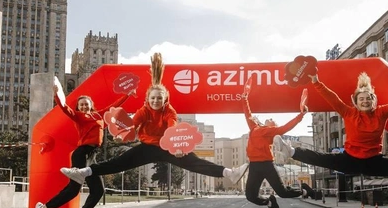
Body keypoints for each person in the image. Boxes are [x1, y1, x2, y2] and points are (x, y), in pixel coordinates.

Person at [61, 53, 248, 191]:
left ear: (164, 99)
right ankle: (83, 172)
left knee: (194, 162)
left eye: (159, 99)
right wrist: (122, 136)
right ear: (148, 99)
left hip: (167, 147)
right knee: (117, 162)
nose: (156, 101)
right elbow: (133, 123)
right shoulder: (144, 110)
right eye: (153, 99)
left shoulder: (169, 111)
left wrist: (177, 146)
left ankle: (230, 173)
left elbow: (172, 127)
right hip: (147, 147)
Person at [31, 84, 132, 208]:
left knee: (98, 190)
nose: (84, 106)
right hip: (82, 154)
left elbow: (113, 106)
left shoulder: (99, 115)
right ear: (79, 107)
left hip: (92, 155)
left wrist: (127, 94)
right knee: (73, 190)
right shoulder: (78, 116)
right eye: (81, 105)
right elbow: (65, 108)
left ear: (91, 105)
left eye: (86, 104)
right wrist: (56, 95)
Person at [241, 87, 306, 208]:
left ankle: (303, 190)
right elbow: (247, 113)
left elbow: (286, 127)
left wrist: (300, 116)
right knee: (250, 196)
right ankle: (269, 202)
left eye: (272, 120)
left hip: (266, 165)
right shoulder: (254, 127)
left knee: (282, 192)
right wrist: (244, 98)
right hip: (254, 165)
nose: (270, 118)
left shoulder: (271, 131)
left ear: (273, 126)